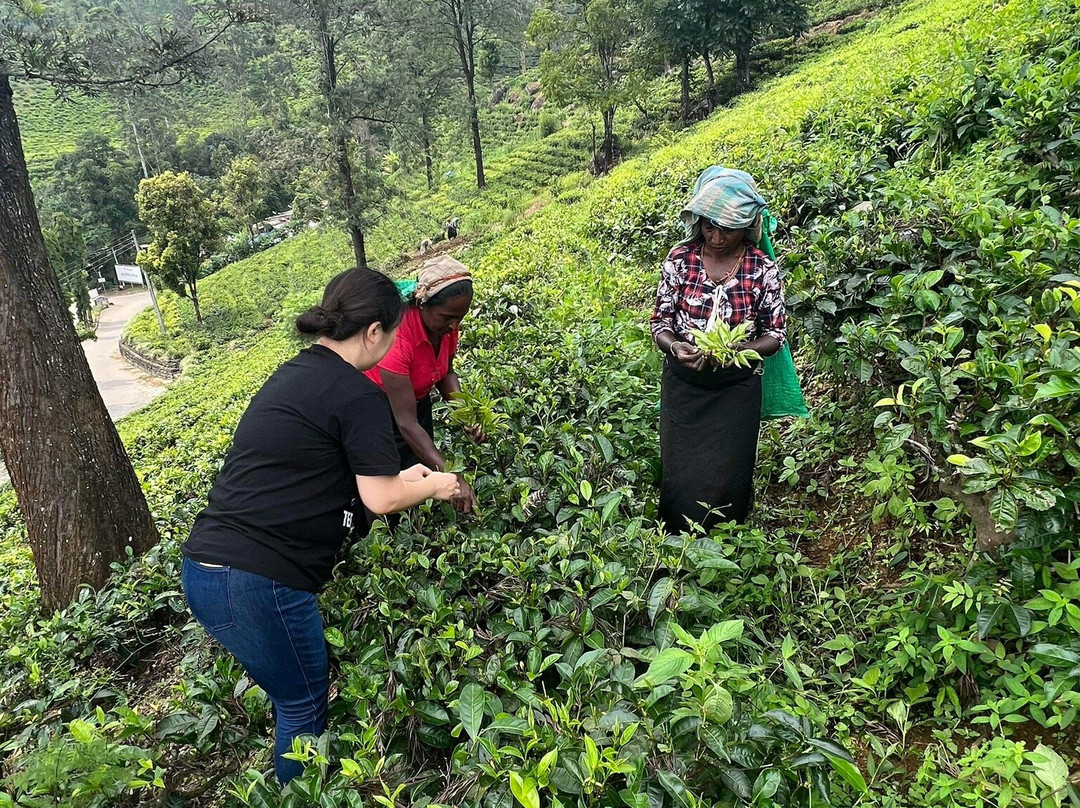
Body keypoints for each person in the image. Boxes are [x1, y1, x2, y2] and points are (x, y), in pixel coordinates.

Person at [181, 267, 460, 785]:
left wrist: (406, 477)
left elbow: (326, 470)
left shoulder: (294, 373)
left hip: (206, 567)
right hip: (260, 581)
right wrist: (439, 485)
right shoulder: (359, 394)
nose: (394, 343)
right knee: (303, 703)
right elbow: (381, 499)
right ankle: (300, 793)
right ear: (373, 332)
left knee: (291, 693)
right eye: (393, 332)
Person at [650, 166, 787, 532]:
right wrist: (676, 347)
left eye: (727, 228)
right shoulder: (680, 259)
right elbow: (660, 323)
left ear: (747, 226)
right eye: (710, 226)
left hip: (736, 389)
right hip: (684, 385)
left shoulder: (761, 268)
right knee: (681, 468)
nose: (716, 236)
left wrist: (739, 350)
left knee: (730, 468)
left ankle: (728, 540)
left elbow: (775, 334)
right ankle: (677, 539)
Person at [364, 255, 480, 515]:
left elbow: (446, 371)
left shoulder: (446, 326)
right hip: (379, 409)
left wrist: (466, 414)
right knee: (393, 482)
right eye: (447, 317)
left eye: (460, 317)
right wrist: (451, 474)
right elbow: (406, 423)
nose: (455, 325)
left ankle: (421, 518)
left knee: (423, 466)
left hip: (416, 399)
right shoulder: (398, 337)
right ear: (422, 305)